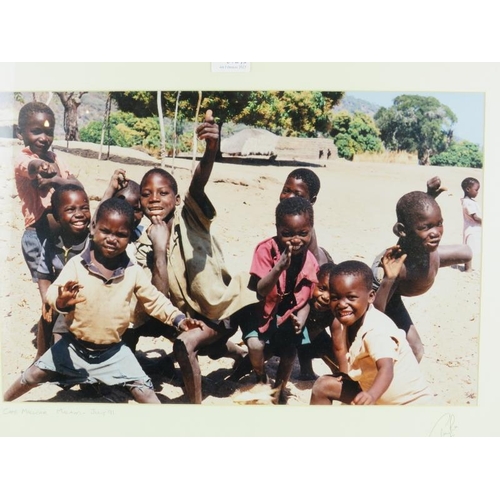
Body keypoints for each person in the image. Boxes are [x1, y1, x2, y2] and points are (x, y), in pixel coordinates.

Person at [3, 198, 202, 404]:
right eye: (106, 231)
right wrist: (62, 301)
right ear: (94, 228)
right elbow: (53, 292)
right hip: (73, 347)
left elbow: (155, 300)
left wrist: (179, 319)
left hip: (113, 352)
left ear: (129, 236)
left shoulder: (132, 272)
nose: (112, 239)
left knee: (146, 393)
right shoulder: (78, 265)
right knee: (32, 376)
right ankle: (5, 403)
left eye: (121, 234)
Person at [133, 110, 257, 404]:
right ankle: (237, 354)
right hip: (182, 315)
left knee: (184, 345)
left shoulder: (191, 218)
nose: (154, 199)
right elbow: (157, 300)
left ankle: (194, 406)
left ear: (176, 200)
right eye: (147, 194)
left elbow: (198, 182)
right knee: (133, 321)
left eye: (163, 193)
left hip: (220, 313)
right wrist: (159, 250)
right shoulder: (144, 243)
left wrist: (211, 149)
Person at [310, 260, 433, 405]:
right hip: (376, 398)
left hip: (408, 405)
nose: (342, 304)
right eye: (335, 298)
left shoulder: (376, 330)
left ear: (370, 296)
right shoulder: (352, 321)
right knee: (323, 386)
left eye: (351, 297)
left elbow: (386, 368)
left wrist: (371, 395)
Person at [372, 190, 472, 362]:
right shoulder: (397, 267)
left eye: (439, 223)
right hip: (389, 287)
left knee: (467, 252)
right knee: (416, 349)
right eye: (425, 227)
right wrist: (389, 280)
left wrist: (430, 196)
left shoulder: (428, 244)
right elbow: (375, 313)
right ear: (402, 231)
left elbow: (418, 216)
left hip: (422, 255)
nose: (436, 233)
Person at [240, 196, 319, 403]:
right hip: (260, 310)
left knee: (290, 350)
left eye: (303, 233)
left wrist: (301, 318)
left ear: (311, 229)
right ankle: (261, 376)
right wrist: (278, 268)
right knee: (255, 346)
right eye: (287, 234)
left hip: (288, 313)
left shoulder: (310, 260)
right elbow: (261, 290)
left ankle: (280, 387)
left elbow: (307, 298)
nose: (295, 240)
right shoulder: (265, 250)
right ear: (277, 229)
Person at [14, 101, 82, 282]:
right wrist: (40, 165)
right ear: (19, 133)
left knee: (64, 287)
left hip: (61, 237)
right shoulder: (23, 157)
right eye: (36, 131)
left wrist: (55, 180)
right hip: (37, 237)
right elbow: (30, 166)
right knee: (47, 290)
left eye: (49, 132)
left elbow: (78, 187)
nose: (44, 138)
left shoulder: (56, 159)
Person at [35, 184, 91, 359]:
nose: (80, 214)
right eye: (70, 209)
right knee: (46, 317)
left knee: (65, 328)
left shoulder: (93, 242)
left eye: (84, 208)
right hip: (61, 298)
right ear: (58, 217)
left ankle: (63, 358)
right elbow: (44, 275)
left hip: (87, 297)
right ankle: (41, 358)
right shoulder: (51, 243)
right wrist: (46, 300)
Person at [460, 177, 482, 271]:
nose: (477, 192)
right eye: (476, 190)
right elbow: (475, 217)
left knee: (470, 248)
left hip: (472, 228)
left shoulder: (469, 201)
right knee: (470, 249)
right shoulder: (468, 203)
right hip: (471, 229)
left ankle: (468, 267)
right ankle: (468, 268)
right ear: (468, 189)